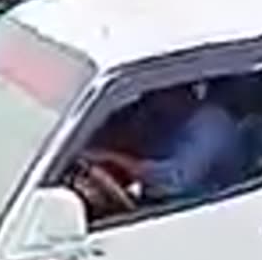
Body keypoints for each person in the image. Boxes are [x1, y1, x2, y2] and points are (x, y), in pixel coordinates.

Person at [82, 82, 246, 204]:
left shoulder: (211, 123)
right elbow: (121, 134)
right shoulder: (160, 117)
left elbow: (175, 180)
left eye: (157, 96)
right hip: (151, 197)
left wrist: (113, 159)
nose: (151, 103)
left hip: (200, 205)